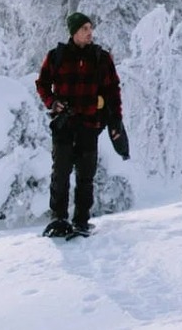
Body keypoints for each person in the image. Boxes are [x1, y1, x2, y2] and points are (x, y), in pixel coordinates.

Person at [35, 13, 127, 238]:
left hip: (90, 124)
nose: (89, 32)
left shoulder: (101, 58)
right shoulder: (57, 56)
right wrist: (53, 102)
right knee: (61, 173)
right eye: (85, 28)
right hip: (64, 125)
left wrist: (115, 119)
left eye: (90, 28)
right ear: (74, 32)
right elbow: (42, 84)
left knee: (86, 175)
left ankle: (82, 221)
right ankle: (58, 219)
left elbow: (113, 90)